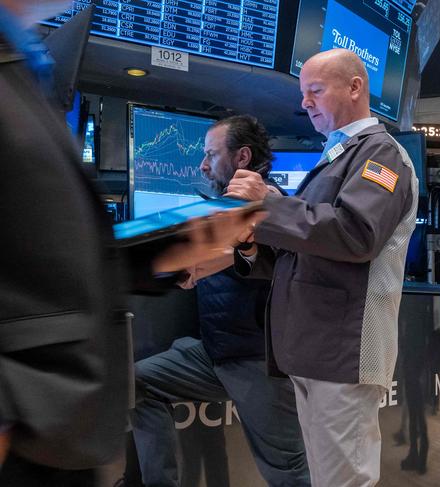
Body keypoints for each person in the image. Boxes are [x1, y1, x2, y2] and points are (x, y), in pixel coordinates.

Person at [0, 2, 262, 485]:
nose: (203, 166)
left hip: (57, 436)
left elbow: (53, 255)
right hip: (24, 430)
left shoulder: (25, 66)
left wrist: (159, 254)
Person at [226, 48, 418, 486]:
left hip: (345, 347)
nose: (305, 103)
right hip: (313, 345)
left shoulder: (381, 156)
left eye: (315, 90)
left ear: (355, 88)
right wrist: (256, 244)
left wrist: (270, 206)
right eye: (303, 93)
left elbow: (355, 234)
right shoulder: (337, 156)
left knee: (344, 479)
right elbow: (306, 247)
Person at [130, 115, 310, 487]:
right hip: (213, 354)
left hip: (256, 361)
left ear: (242, 157)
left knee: (289, 471)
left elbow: (263, 255)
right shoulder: (222, 209)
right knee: (136, 383)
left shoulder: (272, 205)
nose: (203, 164)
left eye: (211, 154)